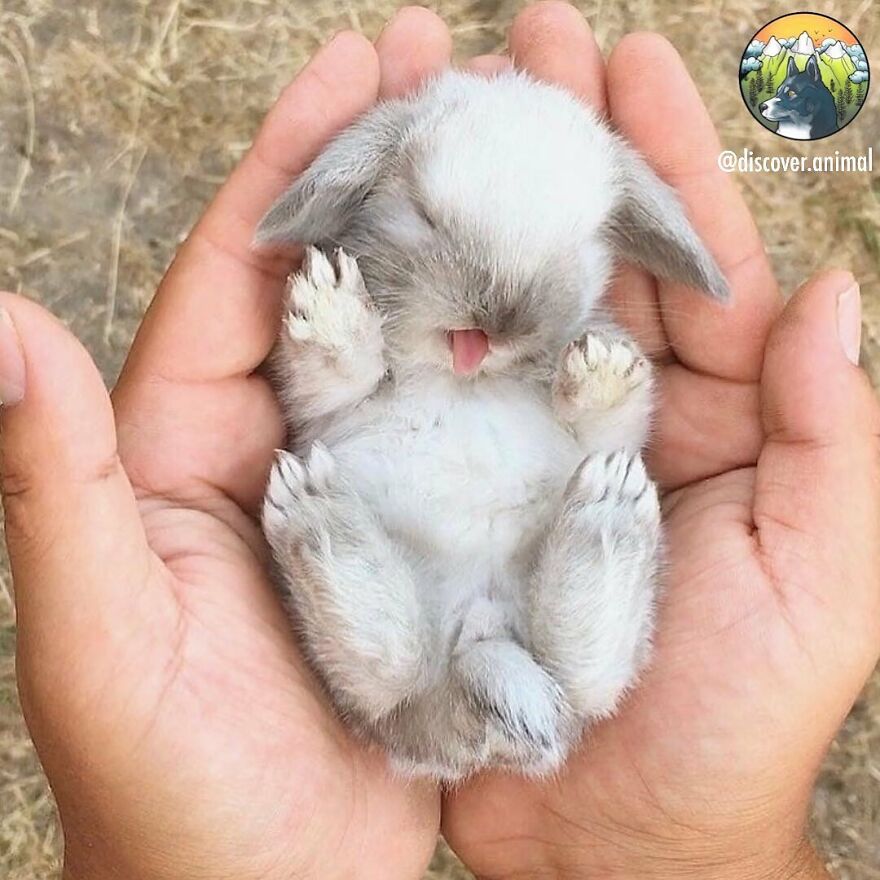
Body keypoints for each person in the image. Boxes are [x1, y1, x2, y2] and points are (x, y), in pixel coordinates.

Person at [1, 3, 877, 879]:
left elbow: (607, 446)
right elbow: (334, 402)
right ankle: (349, 567)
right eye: (427, 220)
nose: (496, 313)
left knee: (588, 660)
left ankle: (575, 580)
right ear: (374, 178)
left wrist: (601, 404)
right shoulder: (373, 315)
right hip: (400, 581)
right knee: (392, 672)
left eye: (564, 258)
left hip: (540, 567)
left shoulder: (572, 350)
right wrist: (338, 346)